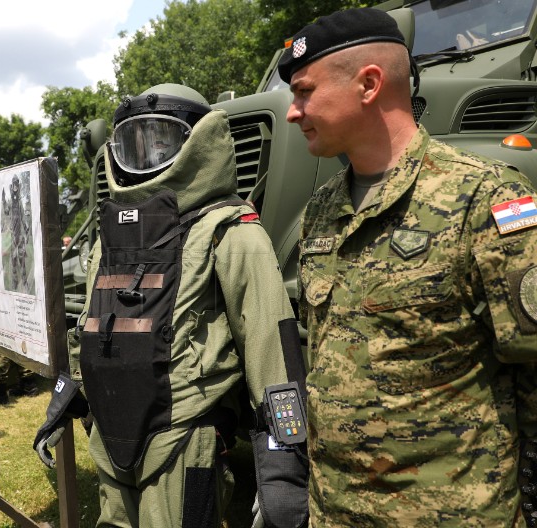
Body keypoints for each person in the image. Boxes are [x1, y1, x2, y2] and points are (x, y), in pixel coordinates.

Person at [280, 7, 537, 526]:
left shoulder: (485, 198)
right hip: (335, 512)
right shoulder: (323, 212)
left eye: (304, 91)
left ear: (368, 84)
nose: (292, 111)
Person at [34, 84, 309, 527]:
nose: (148, 153)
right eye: (136, 141)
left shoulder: (231, 229)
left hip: (183, 434)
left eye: (162, 139)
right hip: (111, 430)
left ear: (197, 141)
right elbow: (95, 322)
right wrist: (71, 397)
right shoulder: (112, 236)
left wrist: (283, 466)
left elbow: (272, 349)